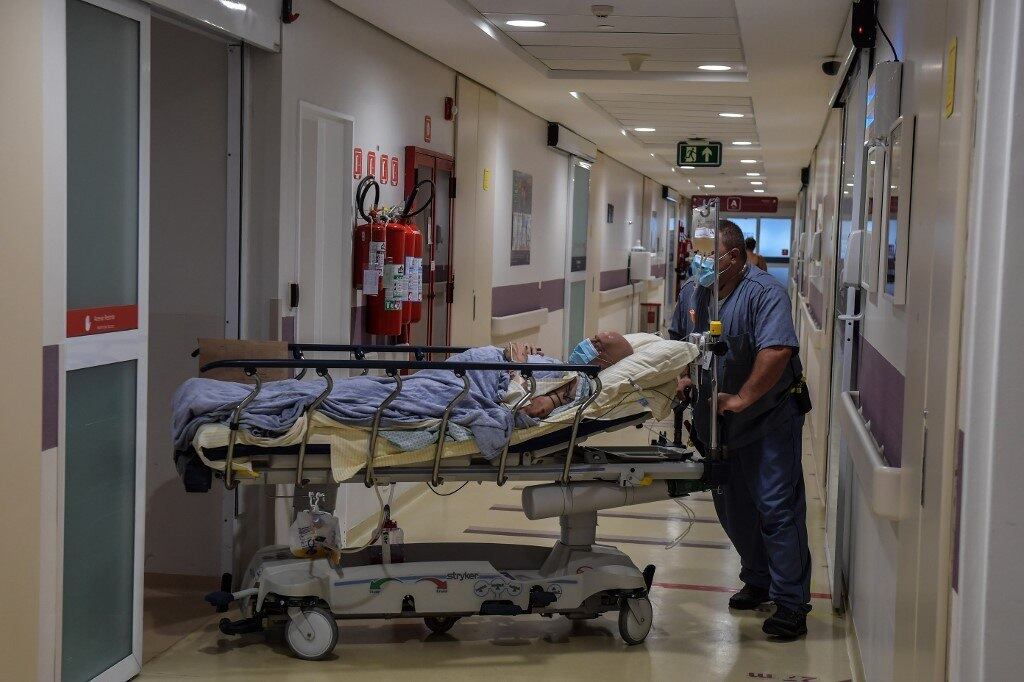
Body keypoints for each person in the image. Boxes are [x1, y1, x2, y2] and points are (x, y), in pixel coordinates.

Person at [669, 220, 812, 640]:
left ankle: (790, 602)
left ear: (734, 257)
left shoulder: (764, 293)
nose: (697, 262)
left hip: (768, 418)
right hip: (718, 422)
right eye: (694, 253)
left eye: (706, 254)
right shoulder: (693, 291)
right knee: (732, 506)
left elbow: (777, 350)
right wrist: (681, 375)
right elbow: (679, 340)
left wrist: (743, 398)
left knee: (775, 506)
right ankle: (758, 578)